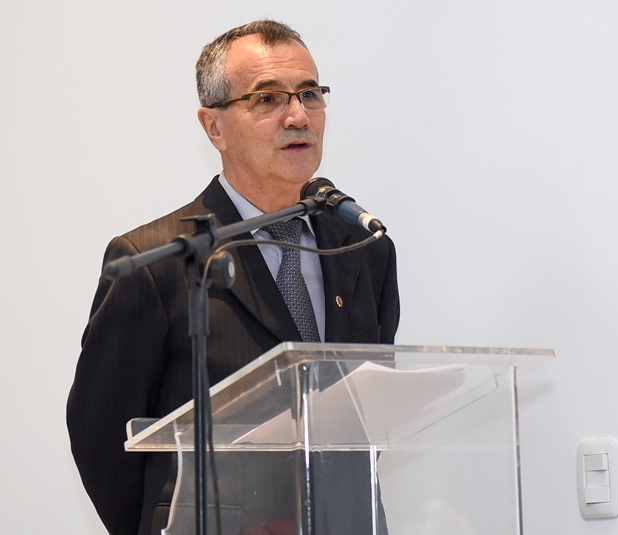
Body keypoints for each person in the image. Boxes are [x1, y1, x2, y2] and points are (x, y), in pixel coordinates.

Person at [66, 19, 400, 535]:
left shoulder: (363, 247)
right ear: (214, 127)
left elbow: (367, 412)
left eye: (310, 94)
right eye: (267, 99)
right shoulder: (156, 262)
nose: (298, 116)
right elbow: (102, 438)